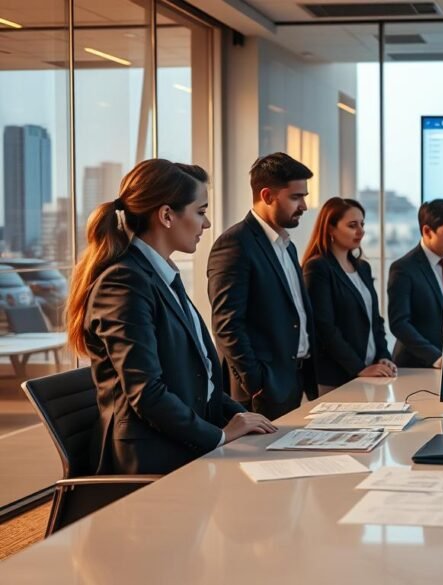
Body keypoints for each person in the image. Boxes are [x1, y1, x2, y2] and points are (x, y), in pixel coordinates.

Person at [66, 159, 276, 475]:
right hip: (151, 458)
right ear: (166, 215)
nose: (206, 225)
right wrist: (220, 435)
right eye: (201, 212)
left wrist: (244, 418)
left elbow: (194, 379)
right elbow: (147, 393)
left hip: (179, 443)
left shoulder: (159, 276)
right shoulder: (124, 282)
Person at [208, 152, 317, 420]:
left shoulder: (286, 245)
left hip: (292, 380)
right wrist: (255, 382)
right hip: (261, 391)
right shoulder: (234, 244)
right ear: (267, 196)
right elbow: (227, 324)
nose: (304, 205)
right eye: (296, 197)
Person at [302, 197, 396, 394]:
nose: (361, 231)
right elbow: (324, 327)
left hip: (371, 373)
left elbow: (374, 320)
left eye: (362, 224)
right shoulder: (318, 267)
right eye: (352, 225)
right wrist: (359, 368)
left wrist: (383, 355)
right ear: (330, 228)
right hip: (337, 377)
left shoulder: (362, 267)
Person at [387, 199, 443, 368]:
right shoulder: (403, 269)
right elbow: (399, 324)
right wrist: (436, 358)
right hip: (416, 367)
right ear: (427, 231)